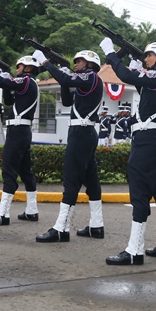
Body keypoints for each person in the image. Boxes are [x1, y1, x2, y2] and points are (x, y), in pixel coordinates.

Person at [99, 40, 156, 265]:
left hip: (147, 139)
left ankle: (134, 250)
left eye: (149, 56)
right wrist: (137, 69)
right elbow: (146, 90)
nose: (146, 60)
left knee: (139, 192)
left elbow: (125, 76)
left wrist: (111, 54)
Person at [32, 49, 105, 242]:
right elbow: (66, 101)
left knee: (71, 179)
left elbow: (66, 80)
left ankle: (61, 228)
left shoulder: (91, 77)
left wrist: (46, 63)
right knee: (91, 180)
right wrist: (64, 78)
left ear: (90, 64)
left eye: (79, 61)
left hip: (81, 133)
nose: (75, 64)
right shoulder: (84, 81)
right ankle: (96, 225)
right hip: (83, 132)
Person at [0, 55, 41, 226]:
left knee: (9, 170)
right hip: (21, 130)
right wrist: (5, 78)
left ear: (27, 68)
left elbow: (2, 83)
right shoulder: (27, 84)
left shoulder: (26, 80)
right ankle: (32, 210)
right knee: (25, 171)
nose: (17, 69)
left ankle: (3, 213)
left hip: (18, 131)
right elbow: (8, 100)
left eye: (19, 66)